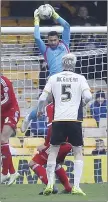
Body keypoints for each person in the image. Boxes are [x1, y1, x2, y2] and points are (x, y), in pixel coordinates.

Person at [37, 53, 92, 196]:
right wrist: (82, 104)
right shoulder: (80, 78)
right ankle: (77, 186)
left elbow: (43, 97)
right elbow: (88, 96)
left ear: (62, 64)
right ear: (74, 64)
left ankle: (49, 184)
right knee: (78, 151)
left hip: (58, 119)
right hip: (74, 120)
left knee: (53, 150)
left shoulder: (53, 78)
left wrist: (40, 110)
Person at [22, 101, 72, 194]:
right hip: (69, 142)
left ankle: (50, 186)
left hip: (58, 142)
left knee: (33, 163)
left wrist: (45, 144)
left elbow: (52, 128)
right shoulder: (66, 105)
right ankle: (68, 188)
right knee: (56, 164)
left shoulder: (50, 107)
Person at [34, 4, 70, 77]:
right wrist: (36, 20)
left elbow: (67, 26)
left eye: (55, 40)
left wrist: (54, 15)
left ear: (58, 39)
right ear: (47, 41)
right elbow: (37, 38)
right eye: (51, 40)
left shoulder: (64, 44)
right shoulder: (45, 50)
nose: (53, 42)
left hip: (67, 77)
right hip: (53, 79)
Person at [1, 75, 20, 185]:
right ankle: (11, 172)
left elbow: (8, 100)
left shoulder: (4, 81)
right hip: (1, 114)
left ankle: (5, 173)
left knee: (3, 139)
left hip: (12, 111)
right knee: (2, 143)